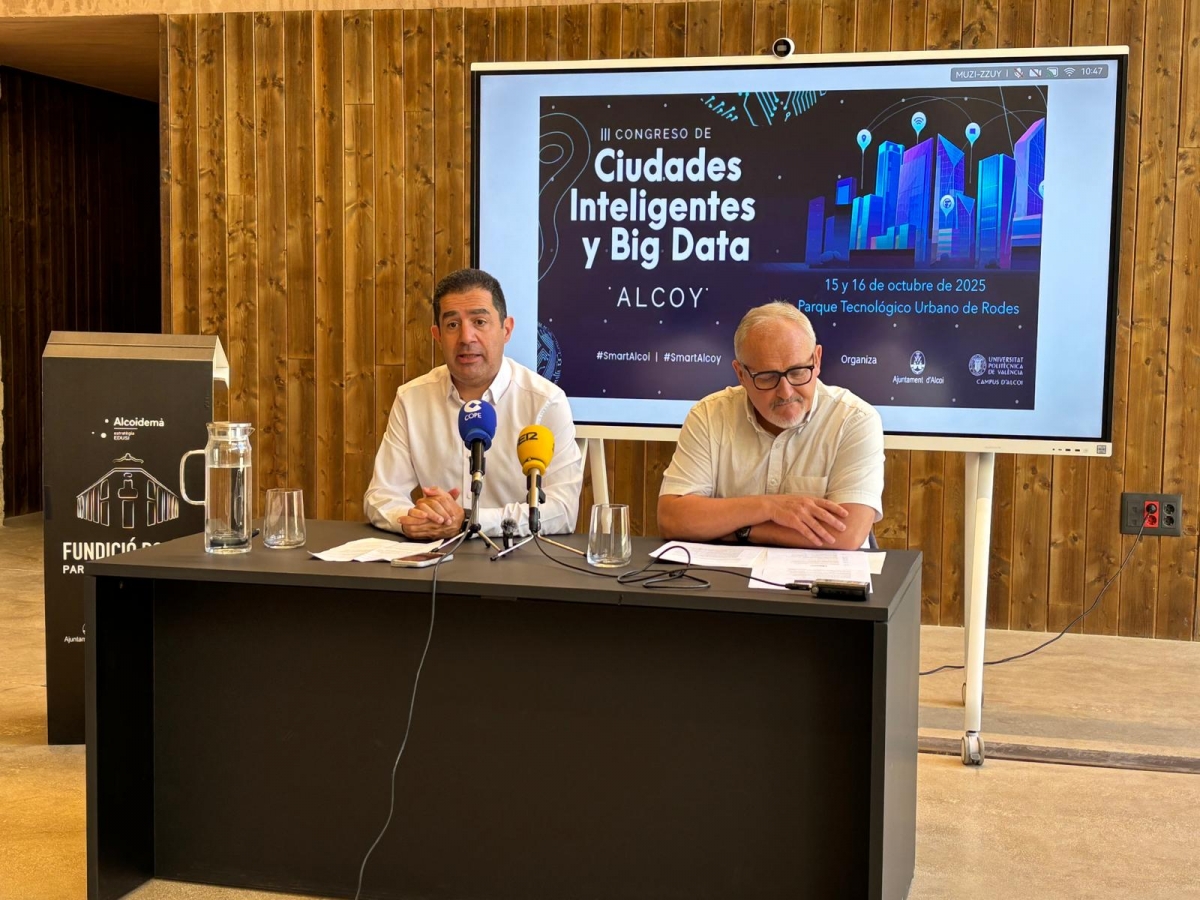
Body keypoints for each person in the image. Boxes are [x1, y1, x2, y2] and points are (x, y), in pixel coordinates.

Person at [364, 268, 583, 539]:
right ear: (437, 335)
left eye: (479, 322)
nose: (466, 338)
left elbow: (562, 510)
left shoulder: (545, 402)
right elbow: (380, 496)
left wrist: (469, 520)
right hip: (436, 559)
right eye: (453, 325)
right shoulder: (412, 399)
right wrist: (417, 519)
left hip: (517, 561)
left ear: (506, 330)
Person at [657, 302, 884, 549]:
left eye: (798, 372)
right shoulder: (710, 415)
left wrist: (743, 529)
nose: (785, 392)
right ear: (741, 374)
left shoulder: (854, 419)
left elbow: (846, 534)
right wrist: (769, 507)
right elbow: (673, 518)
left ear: (817, 360)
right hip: (728, 580)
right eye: (767, 377)